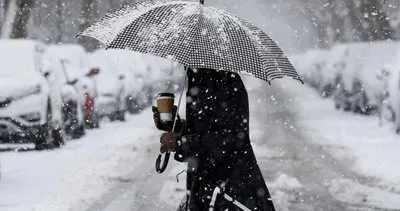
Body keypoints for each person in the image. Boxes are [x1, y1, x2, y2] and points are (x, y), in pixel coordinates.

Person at [153, 68, 276, 211]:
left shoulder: (224, 82)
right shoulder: (200, 77)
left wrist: (181, 143)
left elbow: (229, 139)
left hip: (228, 189)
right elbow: (204, 129)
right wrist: (175, 126)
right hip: (207, 186)